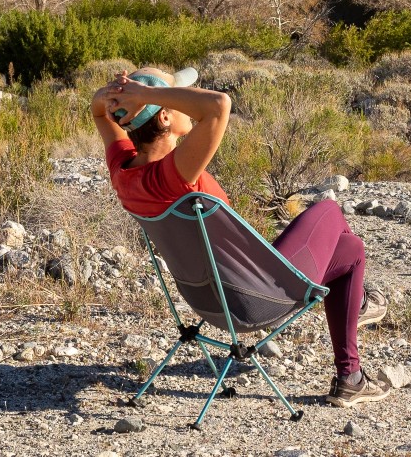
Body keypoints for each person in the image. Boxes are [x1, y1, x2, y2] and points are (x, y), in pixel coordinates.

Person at [91, 66, 391, 408]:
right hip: (256, 298)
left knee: (350, 249)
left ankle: (350, 375)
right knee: (329, 211)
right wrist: (144, 94)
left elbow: (98, 111)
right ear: (163, 117)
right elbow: (219, 105)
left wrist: (119, 95)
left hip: (211, 300)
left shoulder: (123, 170)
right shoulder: (172, 175)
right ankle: (360, 309)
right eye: (178, 98)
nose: (188, 100)